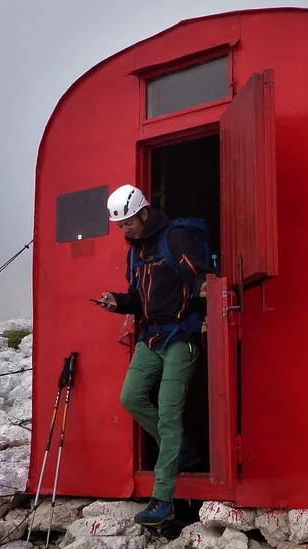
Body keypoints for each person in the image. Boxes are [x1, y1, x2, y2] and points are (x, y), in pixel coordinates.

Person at [96, 184, 214, 527]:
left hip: (182, 335)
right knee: (130, 397)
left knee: (167, 412)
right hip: (152, 337)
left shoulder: (174, 237)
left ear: (144, 213)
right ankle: (183, 452)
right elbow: (139, 298)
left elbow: (197, 277)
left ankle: (163, 500)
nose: (125, 229)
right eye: (120, 226)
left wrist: (204, 288)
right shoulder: (136, 251)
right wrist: (118, 301)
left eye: (128, 222)